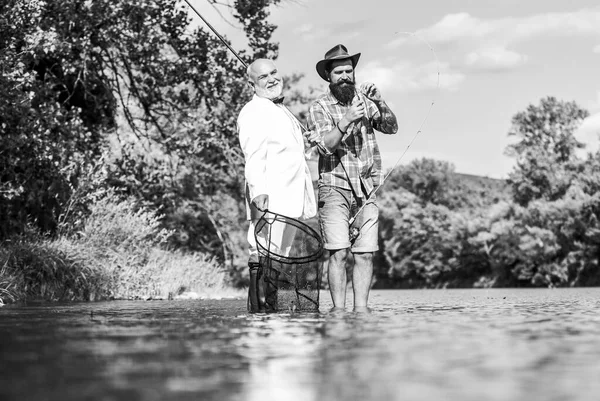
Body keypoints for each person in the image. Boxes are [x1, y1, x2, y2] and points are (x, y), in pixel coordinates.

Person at [307, 44, 398, 311]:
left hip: (367, 188)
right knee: (338, 252)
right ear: (329, 77)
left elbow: (392, 128)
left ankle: (361, 312)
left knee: (366, 254)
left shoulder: (366, 102)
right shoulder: (319, 108)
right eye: (339, 72)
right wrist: (346, 120)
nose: (345, 76)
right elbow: (324, 146)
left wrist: (380, 102)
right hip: (334, 187)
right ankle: (338, 312)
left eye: (349, 71)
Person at [237, 58, 316, 313]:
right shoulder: (253, 111)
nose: (272, 79)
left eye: (274, 73)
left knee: (280, 256)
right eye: (263, 77)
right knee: (262, 253)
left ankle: (272, 318)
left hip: (290, 201)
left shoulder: (281, 110)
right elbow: (253, 154)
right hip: (271, 199)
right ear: (252, 83)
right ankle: (260, 317)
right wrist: (259, 191)